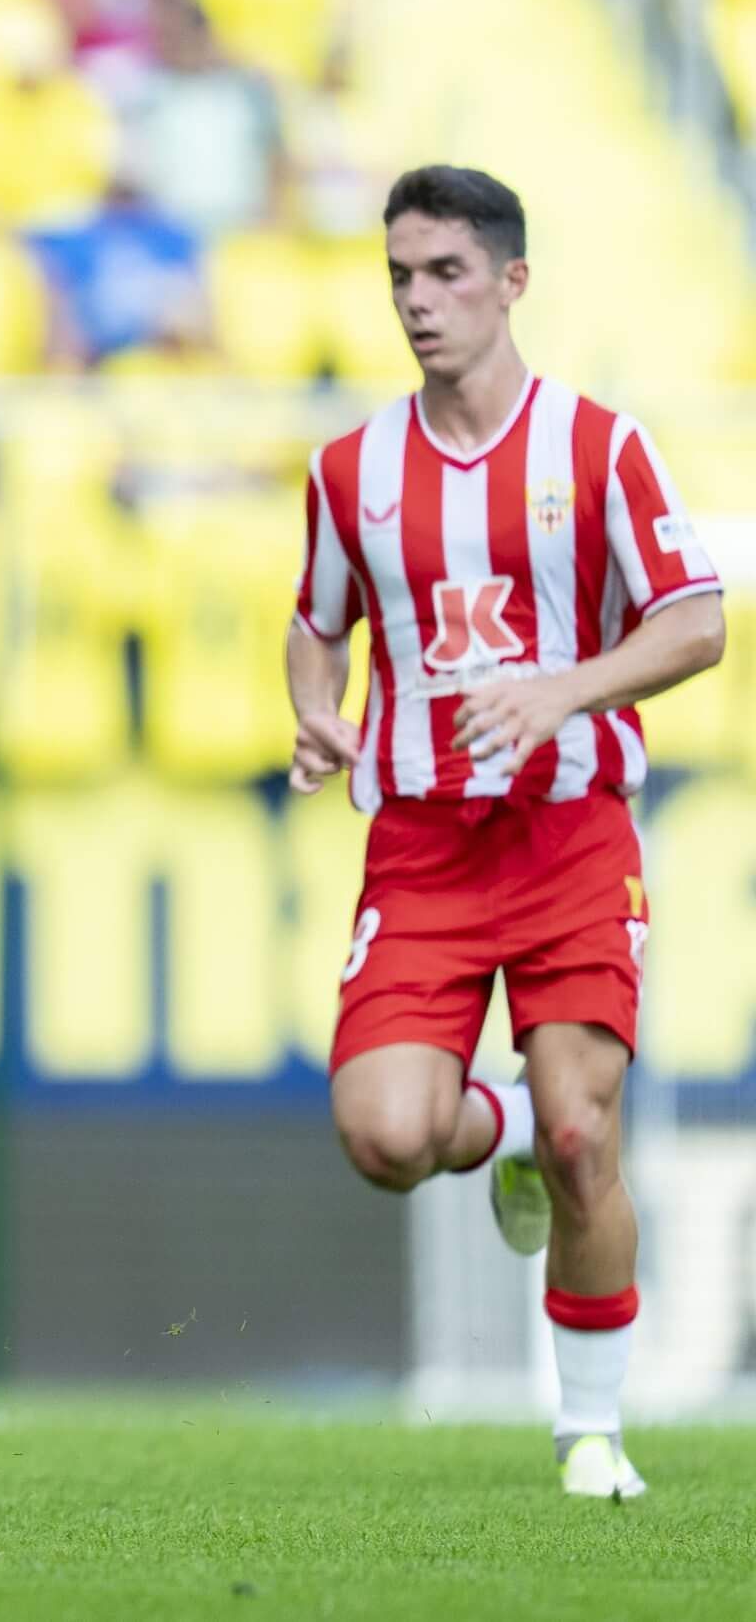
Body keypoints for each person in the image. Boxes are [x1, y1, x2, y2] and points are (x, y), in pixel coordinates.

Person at [287, 165, 726, 1500]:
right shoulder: (351, 468)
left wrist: (560, 690)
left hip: (571, 833)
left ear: (512, 282)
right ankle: (500, 1126)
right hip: (420, 844)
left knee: (592, 1130)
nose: (420, 304)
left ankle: (589, 1430)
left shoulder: (599, 447)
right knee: (385, 1135)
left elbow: (695, 621)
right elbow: (317, 626)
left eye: (447, 275)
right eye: (402, 280)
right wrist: (316, 720)